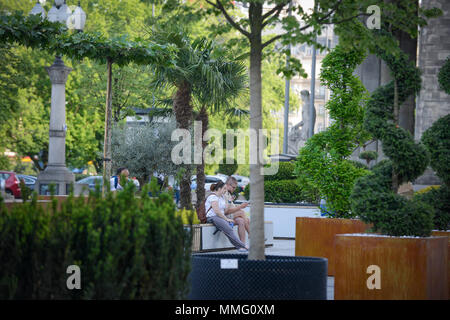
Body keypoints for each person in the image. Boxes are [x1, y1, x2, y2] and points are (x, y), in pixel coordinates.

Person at [205, 181, 248, 252]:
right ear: (219, 188)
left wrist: (230, 201)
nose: (225, 190)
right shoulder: (213, 197)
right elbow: (217, 211)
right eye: (224, 188)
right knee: (228, 229)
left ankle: (241, 246)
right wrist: (226, 219)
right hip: (213, 217)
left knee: (230, 227)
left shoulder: (221, 197)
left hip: (219, 217)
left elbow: (225, 210)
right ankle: (242, 246)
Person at [223, 176, 250, 243]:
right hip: (223, 216)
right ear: (228, 185)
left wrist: (239, 206)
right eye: (233, 187)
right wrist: (240, 207)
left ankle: (242, 244)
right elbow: (226, 211)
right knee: (241, 212)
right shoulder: (224, 193)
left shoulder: (228, 193)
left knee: (241, 220)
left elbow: (231, 207)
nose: (234, 189)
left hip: (229, 215)